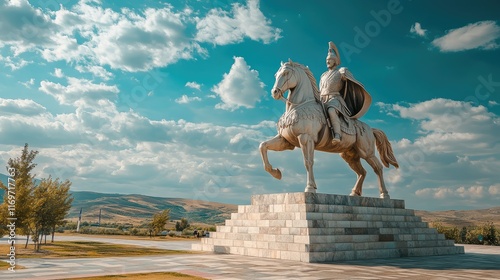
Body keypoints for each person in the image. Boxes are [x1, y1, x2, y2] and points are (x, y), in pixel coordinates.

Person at [319, 41, 372, 143]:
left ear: (335, 61)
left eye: (330, 60)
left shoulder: (340, 71)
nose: (327, 61)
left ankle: (337, 134)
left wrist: (345, 74)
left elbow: (351, 81)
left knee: (331, 111)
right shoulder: (323, 75)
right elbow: (320, 89)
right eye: (326, 60)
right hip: (322, 99)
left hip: (334, 99)